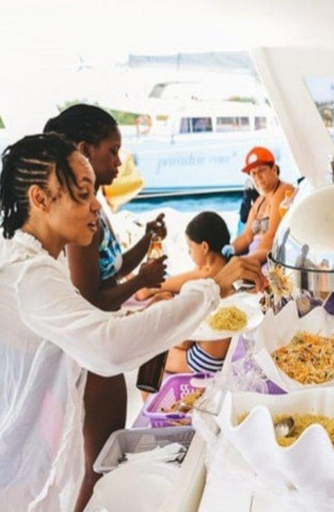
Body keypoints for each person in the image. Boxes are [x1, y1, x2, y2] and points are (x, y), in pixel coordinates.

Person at [0, 133, 264, 511]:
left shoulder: (38, 260)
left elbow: (79, 322)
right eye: (83, 193)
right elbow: (109, 347)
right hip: (15, 470)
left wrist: (144, 311)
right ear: (40, 199)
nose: (95, 206)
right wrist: (210, 288)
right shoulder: (28, 275)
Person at [43, 104, 167, 511]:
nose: (119, 161)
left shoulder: (95, 207)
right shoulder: (82, 221)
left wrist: (145, 244)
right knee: (98, 468)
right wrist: (143, 283)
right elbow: (90, 298)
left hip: (103, 349)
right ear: (84, 149)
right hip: (94, 359)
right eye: (112, 151)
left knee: (101, 462)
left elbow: (109, 270)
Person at [143, 211, 234, 374]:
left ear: (204, 247)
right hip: (216, 351)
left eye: (190, 247)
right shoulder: (225, 267)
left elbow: (185, 342)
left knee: (148, 357)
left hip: (204, 360)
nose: (188, 253)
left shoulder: (206, 277)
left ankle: (151, 400)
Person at [223, 146, 294, 266]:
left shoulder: (283, 191)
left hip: (270, 259)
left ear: (274, 170)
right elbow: (246, 237)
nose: (257, 177)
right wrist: (231, 249)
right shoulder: (259, 202)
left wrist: (249, 262)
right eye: (253, 173)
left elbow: (272, 236)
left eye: (261, 170)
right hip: (255, 256)